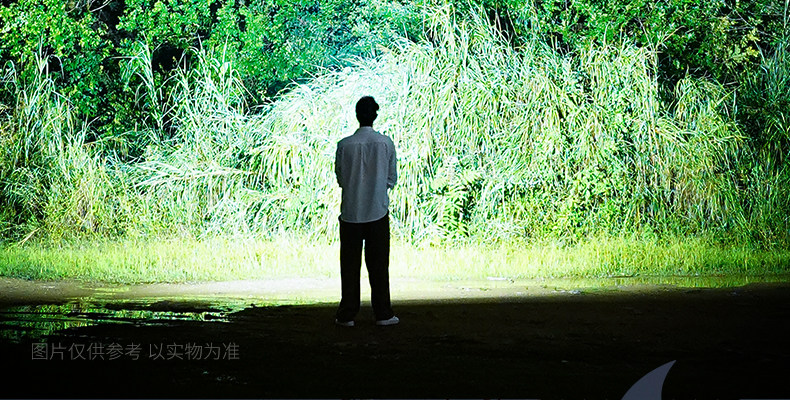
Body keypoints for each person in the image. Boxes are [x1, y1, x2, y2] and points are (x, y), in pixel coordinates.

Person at [334, 96, 399, 327]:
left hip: (351, 213)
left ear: (357, 115)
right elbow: (391, 178)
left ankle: (347, 314)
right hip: (377, 212)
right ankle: (383, 313)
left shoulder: (344, 145)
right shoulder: (385, 143)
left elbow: (341, 178)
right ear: (375, 115)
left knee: (349, 266)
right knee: (379, 265)